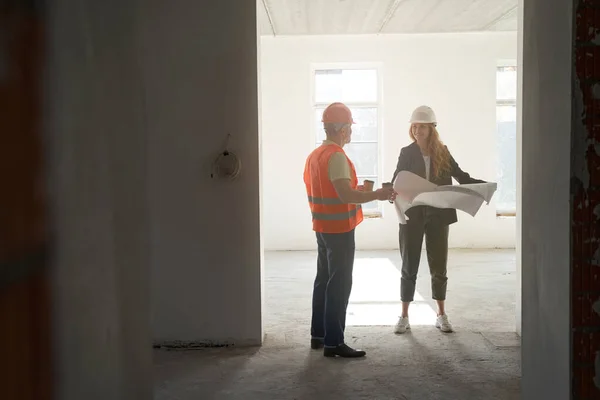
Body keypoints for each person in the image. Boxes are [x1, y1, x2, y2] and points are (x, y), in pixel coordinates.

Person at [304, 102, 396, 358]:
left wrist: (361, 194)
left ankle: (319, 335)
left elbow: (331, 191)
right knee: (339, 283)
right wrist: (378, 194)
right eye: (350, 128)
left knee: (323, 280)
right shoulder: (337, 156)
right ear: (342, 130)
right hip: (340, 229)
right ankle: (334, 342)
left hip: (322, 226)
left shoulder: (315, 155)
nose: (352, 133)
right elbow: (344, 194)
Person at [391, 105, 485, 334]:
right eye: (414, 126)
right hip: (412, 215)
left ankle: (441, 314)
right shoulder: (407, 152)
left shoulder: (442, 151)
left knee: (439, 266)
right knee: (408, 265)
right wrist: (391, 191)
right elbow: (397, 179)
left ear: (432, 128)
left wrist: (483, 187)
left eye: (422, 126)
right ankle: (403, 316)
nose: (417, 130)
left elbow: (461, 176)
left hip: (438, 215)